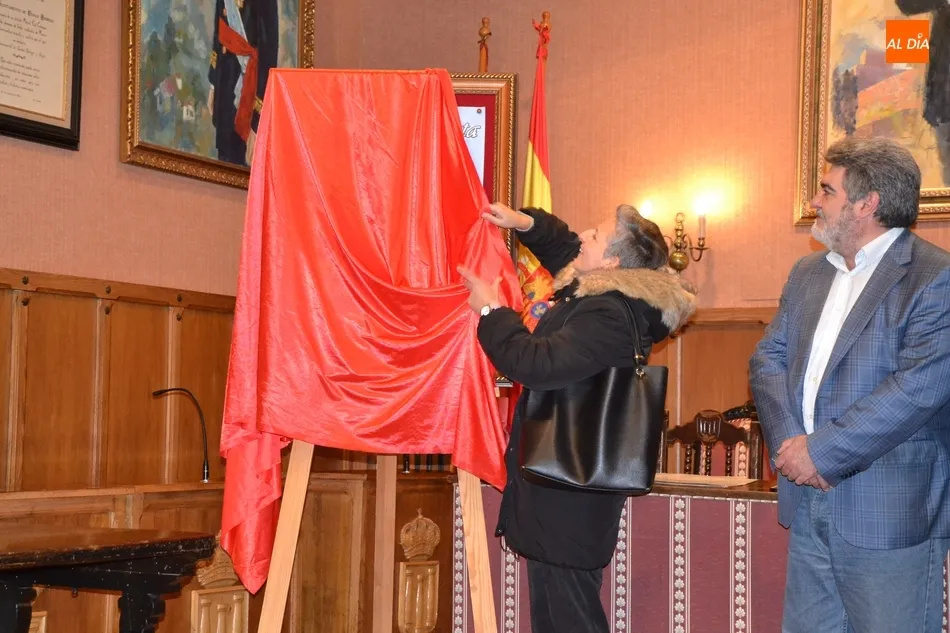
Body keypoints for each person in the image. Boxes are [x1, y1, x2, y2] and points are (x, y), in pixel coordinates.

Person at [458, 202, 697, 633]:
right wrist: (526, 223)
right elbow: (567, 249)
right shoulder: (607, 294)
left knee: (569, 620)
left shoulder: (608, 313)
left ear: (612, 263)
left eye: (597, 235)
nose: (584, 235)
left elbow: (536, 365)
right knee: (555, 619)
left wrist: (492, 312)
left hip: (569, 496)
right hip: (562, 491)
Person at [749, 136, 950, 633]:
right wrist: (792, 447)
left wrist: (821, 453)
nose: (813, 201)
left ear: (866, 204)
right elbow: (767, 359)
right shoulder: (807, 273)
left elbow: (917, 391)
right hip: (808, 499)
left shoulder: (934, 276)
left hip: (887, 509)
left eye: (826, 190)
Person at [207, 0, 279, 167]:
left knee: (240, 163)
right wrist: (213, 84)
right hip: (224, 85)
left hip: (248, 93)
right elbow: (219, 32)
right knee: (223, 158)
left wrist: (256, 123)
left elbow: (268, 57)